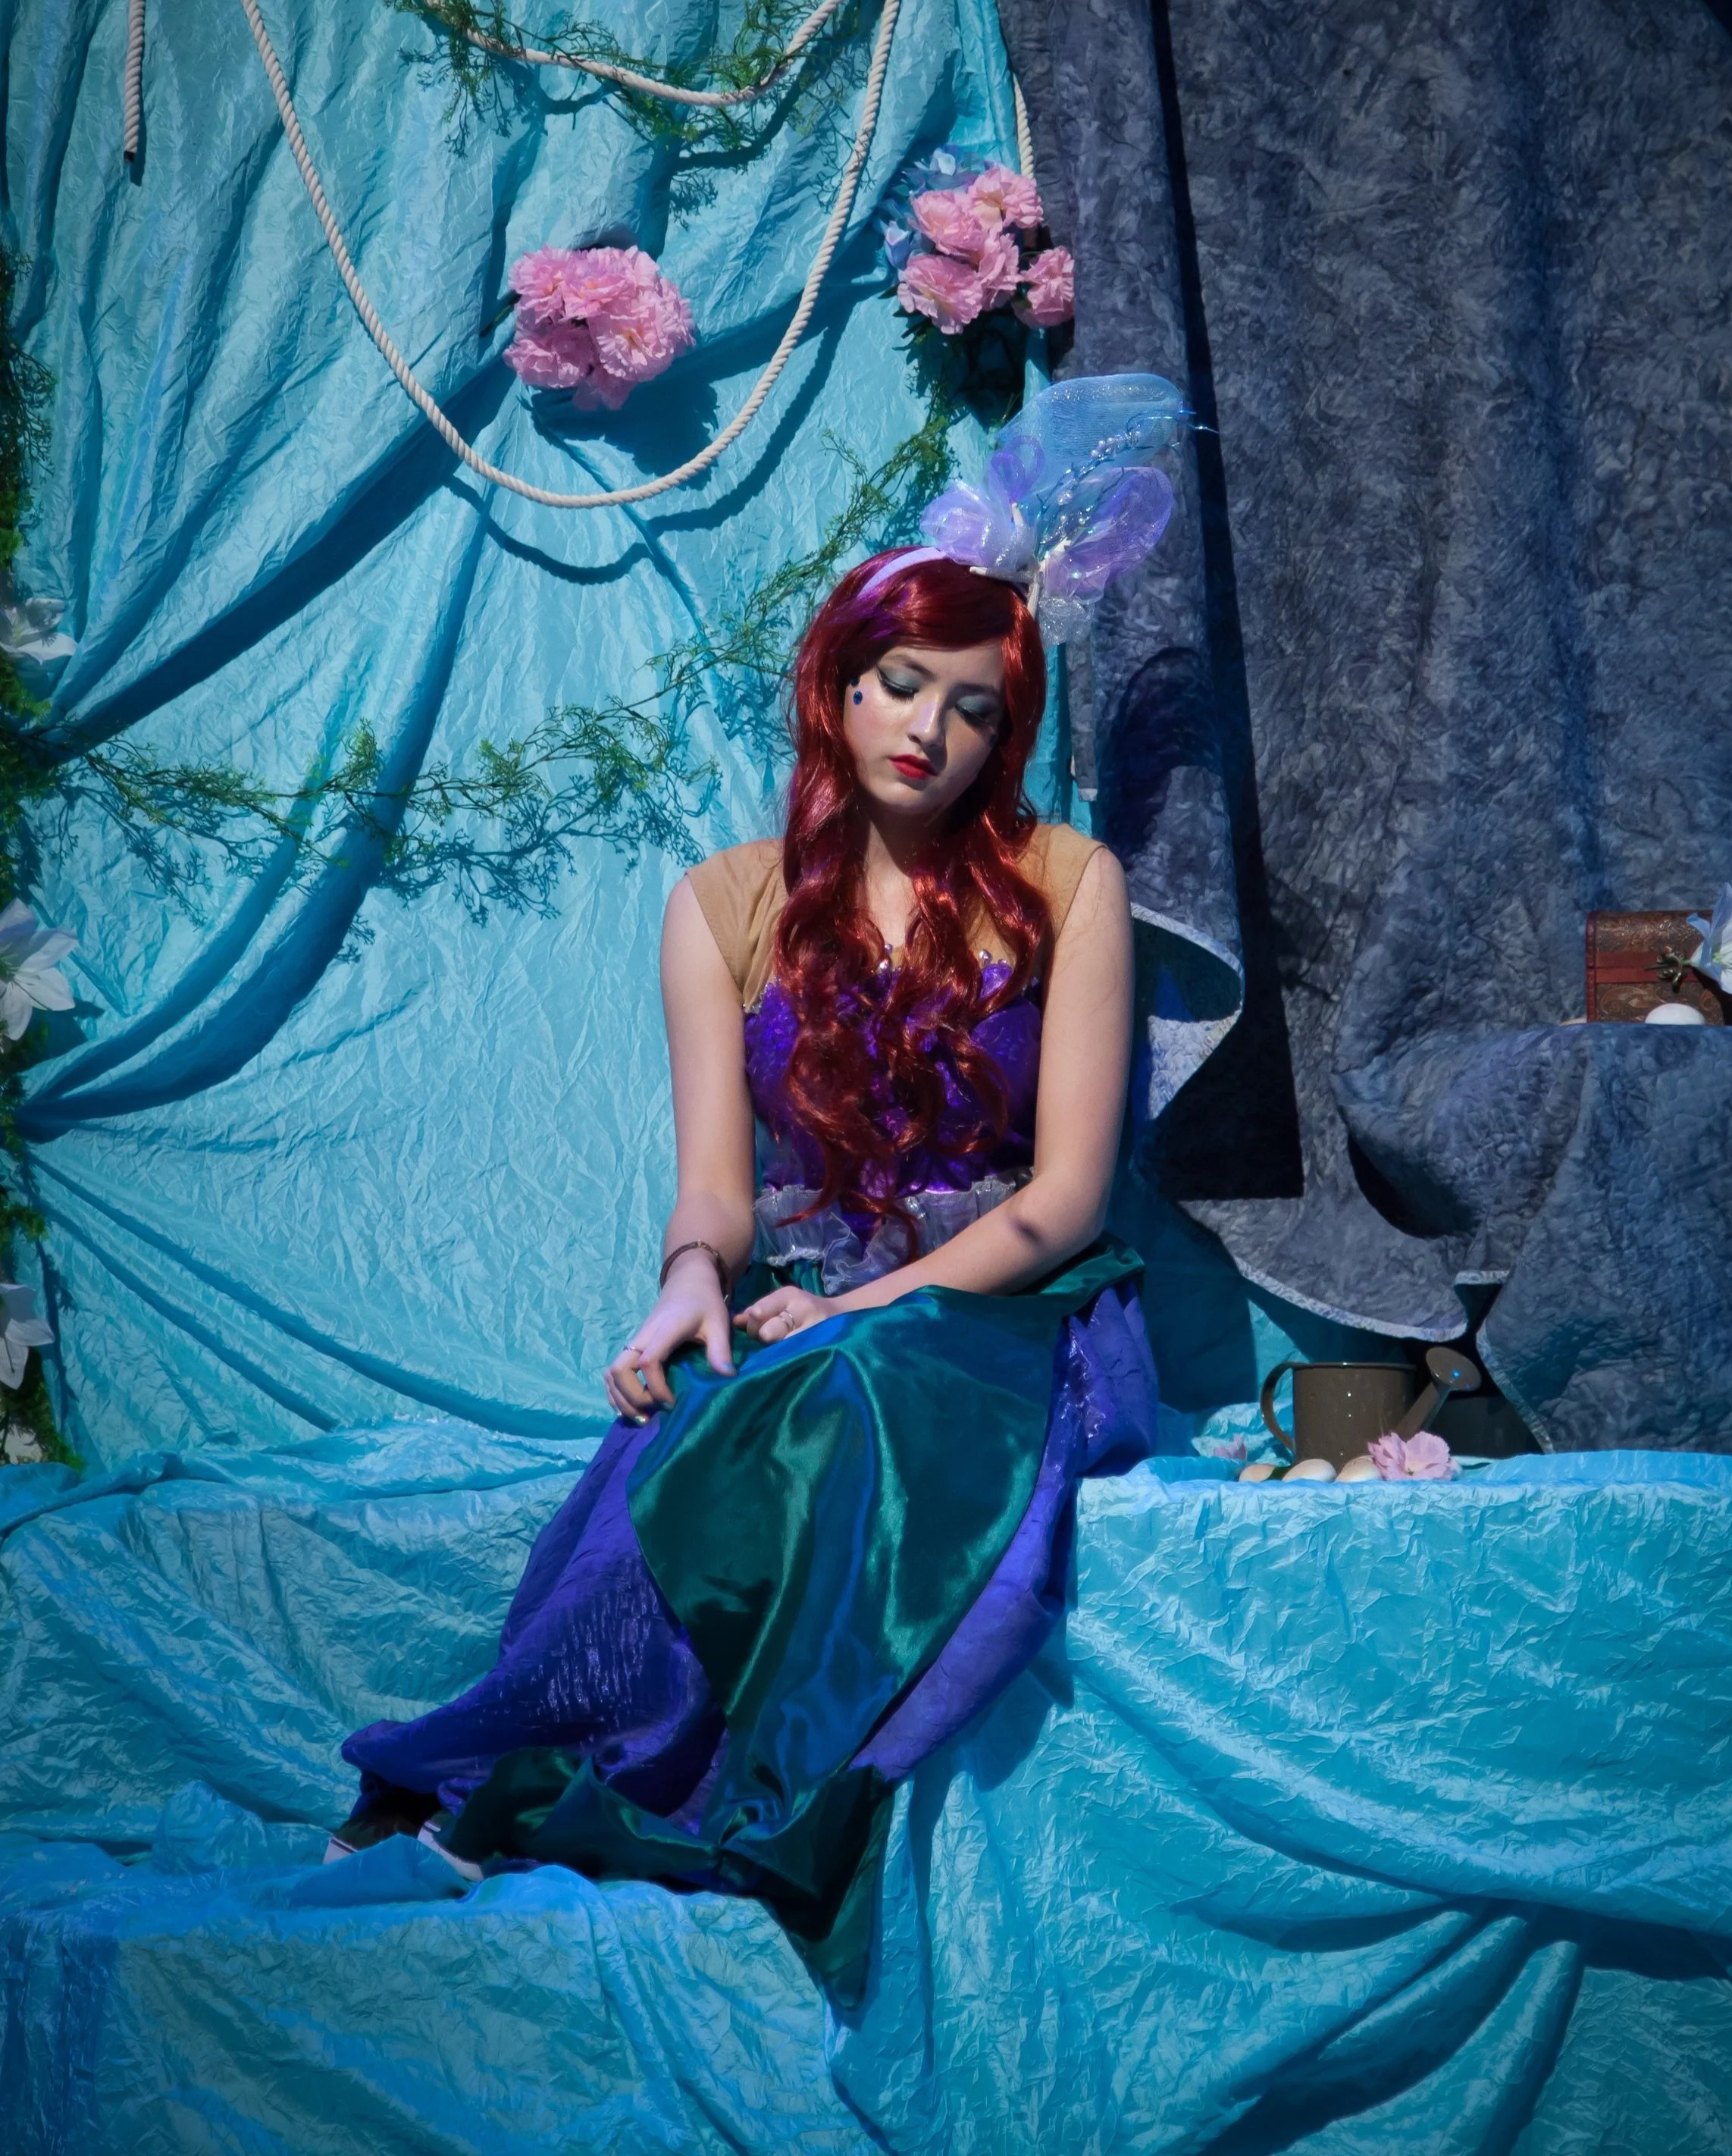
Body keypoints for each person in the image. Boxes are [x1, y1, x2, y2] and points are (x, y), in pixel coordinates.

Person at [337, 376, 1188, 1991]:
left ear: (1013, 731)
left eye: (974, 705)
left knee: (837, 1369)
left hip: (1021, 1310)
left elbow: (1068, 1198)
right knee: (705, 1403)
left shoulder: (1074, 885)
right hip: (804, 1303)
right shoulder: (720, 904)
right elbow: (716, 1198)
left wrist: (854, 1300)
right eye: (895, 683)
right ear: (834, 687)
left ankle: (748, 1803)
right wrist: (681, 1284)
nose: (926, 729)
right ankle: (526, 1768)